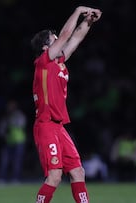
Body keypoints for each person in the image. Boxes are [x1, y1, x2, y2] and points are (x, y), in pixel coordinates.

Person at [30, 6, 102, 203]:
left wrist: (88, 22)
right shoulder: (43, 62)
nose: (57, 39)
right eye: (53, 38)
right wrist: (78, 10)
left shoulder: (59, 61)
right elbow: (66, 34)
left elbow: (76, 37)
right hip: (45, 125)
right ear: (46, 47)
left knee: (78, 171)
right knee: (55, 176)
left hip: (58, 126)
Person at [0, 99, 27, 183]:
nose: (10, 107)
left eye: (12, 105)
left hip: (19, 141)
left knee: (17, 160)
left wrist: (11, 120)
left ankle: (16, 178)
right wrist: (3, 134)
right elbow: (1, 130)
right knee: (5, 160)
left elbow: (22, 124)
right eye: (9, 106)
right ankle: (2, 178)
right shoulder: (5, 116)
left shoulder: (19, 115)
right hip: (8, 141)